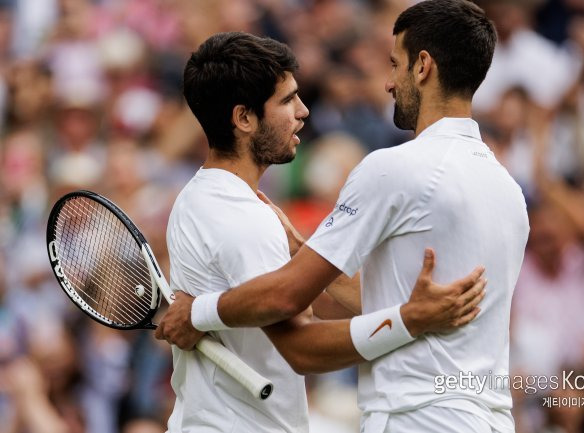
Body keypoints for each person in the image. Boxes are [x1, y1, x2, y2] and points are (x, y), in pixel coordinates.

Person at [159, 1, 530, 432]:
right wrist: (315, 258)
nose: (388, 82)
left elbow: (289, 306)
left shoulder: (393, 168)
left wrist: (197, 313)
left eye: (395, 64)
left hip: (418, 419)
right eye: (288, 100)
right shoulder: (509, 191)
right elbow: (403, 306)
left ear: (423, 66)